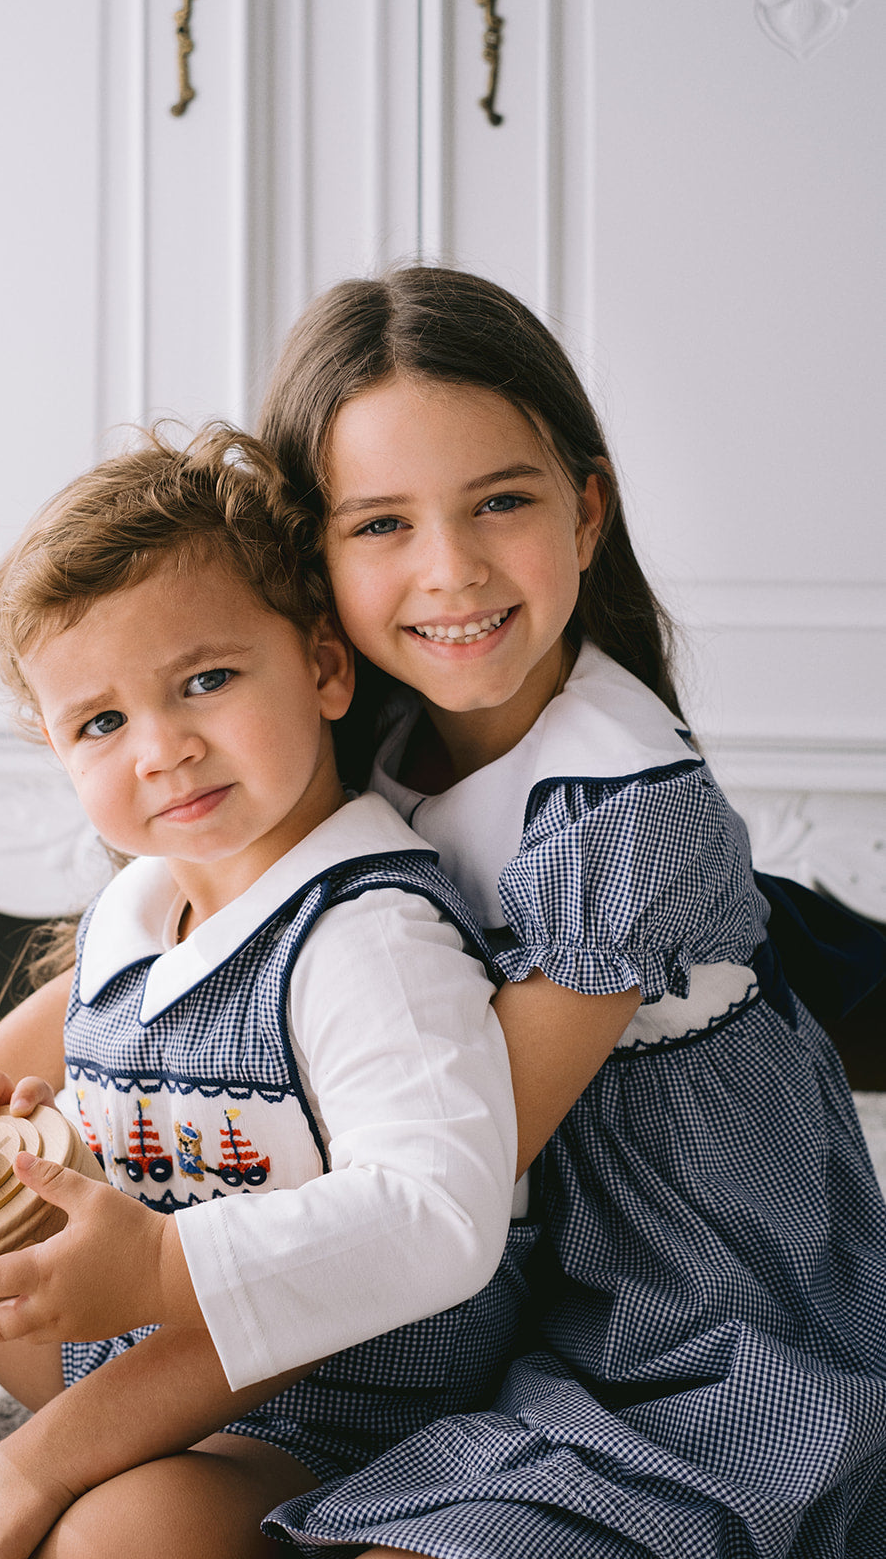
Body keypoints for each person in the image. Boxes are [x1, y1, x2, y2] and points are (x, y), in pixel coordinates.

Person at [245, 266, 886, 1558]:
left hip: (678, 1331)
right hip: (471, 1292)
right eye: (378, 525)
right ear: (307, 552)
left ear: (584, 512)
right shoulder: (356, 742)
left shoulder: (619, 807)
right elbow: (207, 938)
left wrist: (46, 1456)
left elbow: (440, 1184)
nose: (450, 570)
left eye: (500, 502)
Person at [0, 426, 533, 1559]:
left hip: (322, 1406)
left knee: (125, 1536)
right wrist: (33, 1141)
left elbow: (434, 1217)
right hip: (118, 1338)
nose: (161, 748)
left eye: (205, 679)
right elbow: (154, 1127)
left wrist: (155, 1271)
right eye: (101, 722)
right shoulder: (138, 909)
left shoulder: (364, 938)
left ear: (322, 668)